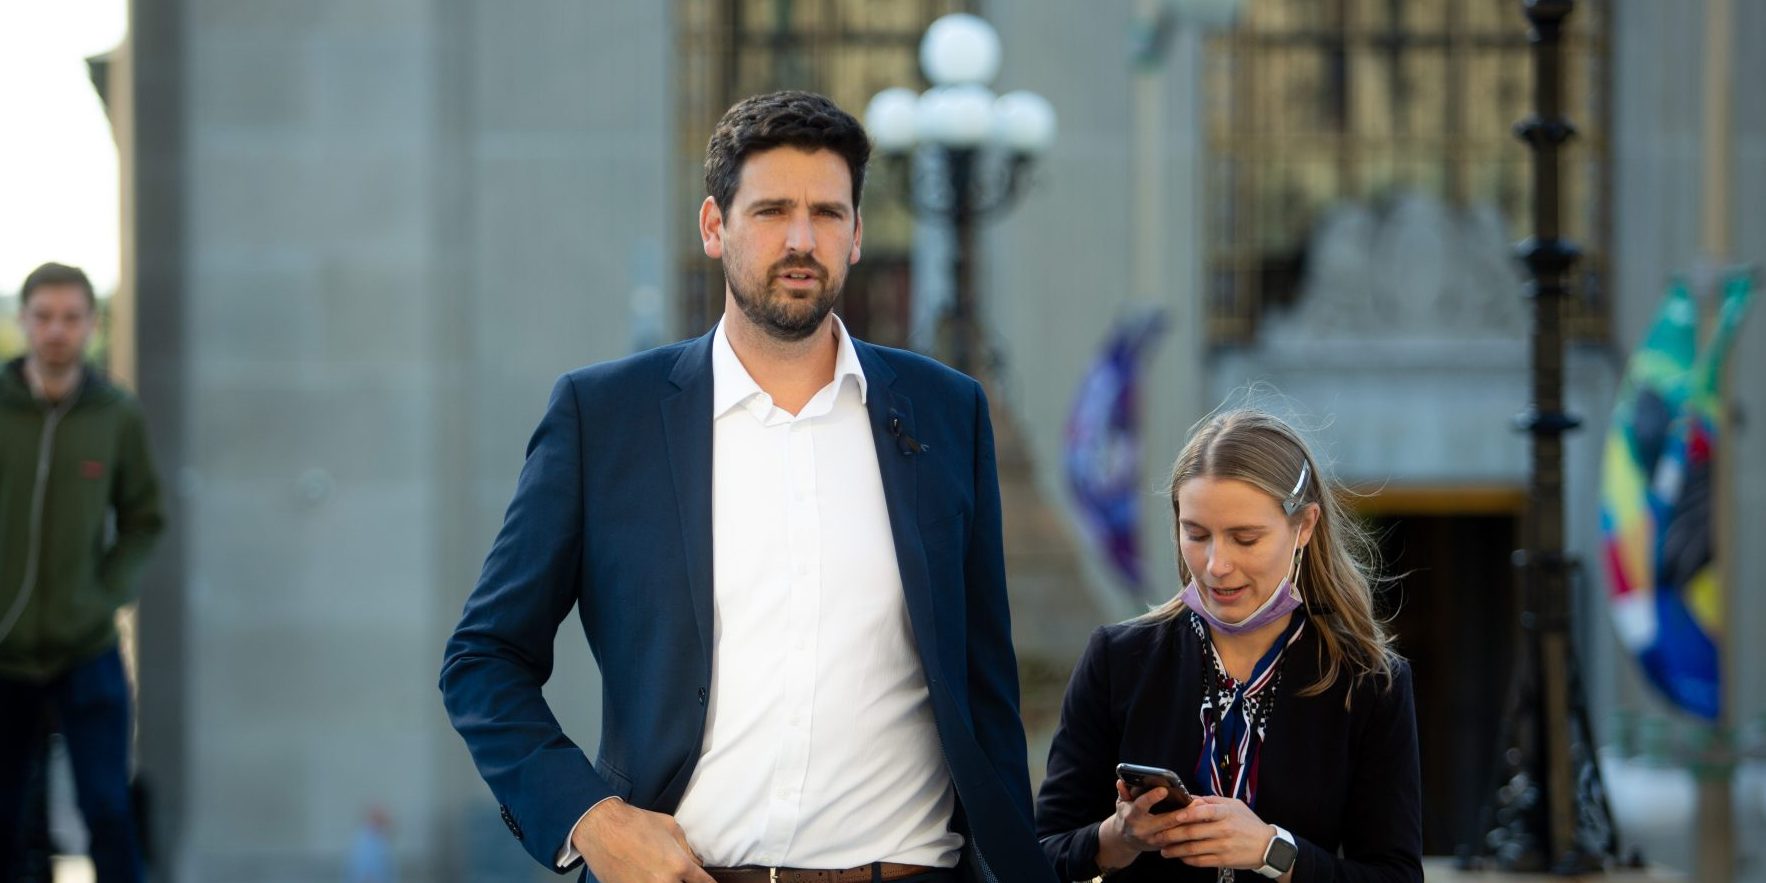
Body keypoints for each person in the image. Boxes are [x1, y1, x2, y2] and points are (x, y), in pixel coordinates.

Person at [440, 91, 1055, 883]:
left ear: (858, 234)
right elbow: (483, 658)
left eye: (828, 213)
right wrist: (589, 819)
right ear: (713, 226)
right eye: (771, 210)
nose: (802, 240)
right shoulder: (605, 419)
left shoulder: (945, 412)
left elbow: (986, 689)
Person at [1035, 409, 1422, 881]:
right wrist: (1119, 838)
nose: (1217, 564)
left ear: (1304, 526)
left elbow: (1395, 875)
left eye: (1245, 538)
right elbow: (1040, 852)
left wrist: (1272, 850)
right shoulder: (1118, 659)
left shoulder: (1367, 680)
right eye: (1196, 534)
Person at [0, 262, 166, 883]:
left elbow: (145, 518)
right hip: (5, 654)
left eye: (71, 318)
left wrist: (103, 598)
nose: (56, 332)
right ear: (23, 321)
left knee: (108, 811)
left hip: (85, 648)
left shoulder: (116, 416)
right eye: (43, 317)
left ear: (91, 325)